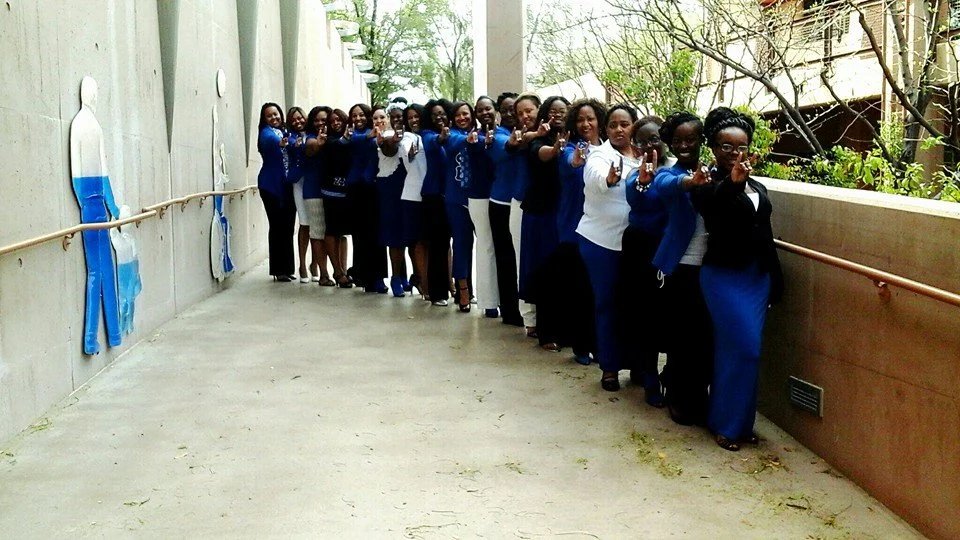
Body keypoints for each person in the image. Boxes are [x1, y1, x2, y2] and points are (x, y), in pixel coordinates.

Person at [690, 107, 784, 451]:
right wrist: (732, 183)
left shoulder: (757, 185)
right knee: (743, 347)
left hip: (756, 278)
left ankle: (742, 425)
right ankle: (724, 424)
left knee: (748, 354)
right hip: (723, 279)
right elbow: (714, 208)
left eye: (741, 147)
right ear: (713, 149)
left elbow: (765, 231)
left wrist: (775, 277)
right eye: (726, 147)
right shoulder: (706, 185)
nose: (734, 154)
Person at [577, 104, 641, 391]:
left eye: (624, 124)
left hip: (638, 245)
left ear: (633, 127)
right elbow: (594, 175)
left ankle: (639, 365)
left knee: (636, 307)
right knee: (607, 306)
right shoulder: (601, 155)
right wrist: (608, 179)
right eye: (613, 125)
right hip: (601, 242)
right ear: (606, 129)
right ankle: (609, 368)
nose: (618, 129)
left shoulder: (646, 154)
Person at [620, 116, 673, 407]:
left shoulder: (678, 168)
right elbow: (635, 195)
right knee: (646, 315)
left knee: (670, 316)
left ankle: (669, 373)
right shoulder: (635, 173)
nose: (650, 146)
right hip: (642, 247)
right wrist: (643, 182)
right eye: (642, 142)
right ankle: (649, 376)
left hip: (674, 248)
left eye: (655, 139)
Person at [552, 99, 605, 365]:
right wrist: (576, 162)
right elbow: (569, 166)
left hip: (606, 232)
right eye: (580, 120)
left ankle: (601, 344)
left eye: (591, 119)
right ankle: (582, 345)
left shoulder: (610, 150)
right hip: (575, 230)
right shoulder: (571, 150)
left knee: (602, 293)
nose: (586, 124)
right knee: (581, 291)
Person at [522, 96, 570, 351]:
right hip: (543, 214)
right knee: (545, 270)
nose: (558, 115)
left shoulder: (578, 139)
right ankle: (546, 331)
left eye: (563, 111)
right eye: (552, 111)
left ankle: (568, 331)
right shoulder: (537, 139)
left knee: (566, 273)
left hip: (568, 214)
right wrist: (556, 150)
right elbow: (543, 155)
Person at [505, 94, 546, 336]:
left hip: (548, 208)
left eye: (529, 111)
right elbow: (514, 144)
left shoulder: (549, 136)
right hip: (521, 204)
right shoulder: (518, 137)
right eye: (520, 113)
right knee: (524, 261)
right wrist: (534, 134)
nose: (524, 116)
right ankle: (529, 317)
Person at [485, 92, 524, 326]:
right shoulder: (496, 135)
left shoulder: (531, 132)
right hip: (500, 203)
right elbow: (507, 147)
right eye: (506, 110)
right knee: (506, 258)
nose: (510, 114)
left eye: (515, 110)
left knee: (521, 259)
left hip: (523, 203)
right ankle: (510, 311)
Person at [439, 100, 482, 312]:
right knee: (462, 244)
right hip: (456, 199)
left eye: (466, 114)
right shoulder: (450, 136)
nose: (462, 118)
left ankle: (486, 292)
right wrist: (469, 139)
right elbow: (453, 144)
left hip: (480, 198)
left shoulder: (482, 134)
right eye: (458, 115)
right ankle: (462, 289)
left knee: (484, 246)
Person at [345, 103, 388, 293]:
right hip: (356, 188)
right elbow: (351, 141)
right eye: (354, 116)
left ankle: (378, 277)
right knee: (360, 235)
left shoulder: (378, 132)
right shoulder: (352, 135)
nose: (358, 119)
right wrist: (369, 136)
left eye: (361, 115)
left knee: (376, 234)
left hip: (374, 188)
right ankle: (362, 275)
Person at [256, 102, 296, 282]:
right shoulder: (267, 134)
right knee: (278, 226)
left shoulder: (283, 131)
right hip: (271, 186)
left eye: (276, 114)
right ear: (264, 120)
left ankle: (287, 268)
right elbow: (271, 144)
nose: (274, 118)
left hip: (286, 185)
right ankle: (278, 270)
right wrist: (281, 143)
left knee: (287, 227)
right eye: (269, 115)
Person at [376, 103, 412, 297]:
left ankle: (409, 276)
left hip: (409, 186)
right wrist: (389, 142)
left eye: (402, 116)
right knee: (395, 235)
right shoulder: (386, 136)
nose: (398, 119)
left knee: (409, 234)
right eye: (395, 116)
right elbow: (389, 150)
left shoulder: (413, 135)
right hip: (390, 188)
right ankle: (396, 276)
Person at [470, 96, 501, 318]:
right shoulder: (473, 137)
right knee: (486, 246)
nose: (484, 113)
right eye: (480, 110)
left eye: (488, 108)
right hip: (480, 196)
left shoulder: (505, 134)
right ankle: (489, 301)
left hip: (502, 196)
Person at [420, 99, 453, 306]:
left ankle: (458, 287)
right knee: (438, 244)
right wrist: (442, 138)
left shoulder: (456, 134)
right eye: (434, 115)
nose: (439, 117)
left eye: (442, 113)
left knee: (452, 244)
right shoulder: (427, 135)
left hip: (454, 194)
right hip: (434, 196)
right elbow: (435, 142)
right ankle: (437, 292)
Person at [302, 106, 336, 286]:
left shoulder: (335, 138)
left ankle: (340, 271)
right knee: (317, 233)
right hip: (314, 191)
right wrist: (319, 144)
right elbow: (310, 149)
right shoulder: (310, 139)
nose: (320, 123)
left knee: (336, 234)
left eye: (324, 120)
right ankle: (323, 274)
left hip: (332, 192)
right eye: (316, 120)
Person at [321, 108, 353, 288]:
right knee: (332, 231)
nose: (336, 123)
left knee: (343, 234)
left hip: (347, 193)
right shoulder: (330, 140)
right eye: (332, 121)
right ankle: (337, 270)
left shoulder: (351, 137)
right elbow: (338, 145)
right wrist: (346, 139)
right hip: (331, 193)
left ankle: (344, 268)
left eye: (339, 120)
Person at [401, 103, 429, 299]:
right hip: (412, 196)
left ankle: (445, 283)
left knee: (435, 242)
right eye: (410, 117)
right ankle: (424, 282)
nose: (414, 120)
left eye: (417, 116)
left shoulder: (431, 135)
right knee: (418, 242)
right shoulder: (407, 138)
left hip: (433, 194)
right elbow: (407, 153)